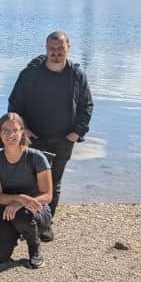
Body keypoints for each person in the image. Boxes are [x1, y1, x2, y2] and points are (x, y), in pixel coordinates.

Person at [7, 30, 93, 230]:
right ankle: (27, 224)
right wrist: (23, 129)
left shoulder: (76, 74)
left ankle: (45, 224)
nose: (56, 53)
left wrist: (78, 132)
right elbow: (14, 104)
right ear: (46, 49)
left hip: (64, 139)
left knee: (54, 183)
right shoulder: (30, 74)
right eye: (52, 49)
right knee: (30, 183)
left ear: (68, 48)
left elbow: (86, 105)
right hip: (33, 139)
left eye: (60, 48)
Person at [0, 113, 53, 269]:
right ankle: (15, 233)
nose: (10, 134)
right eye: (5, 130)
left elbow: (47, 195)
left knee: (22, 215)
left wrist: (22, 203)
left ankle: (35, 247)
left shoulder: (37, 157)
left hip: (37, 209)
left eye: (15, 130)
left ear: (22, 132)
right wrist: (21, 198)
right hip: (8, 210)